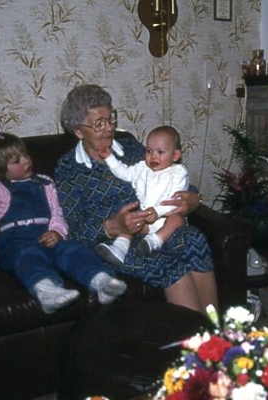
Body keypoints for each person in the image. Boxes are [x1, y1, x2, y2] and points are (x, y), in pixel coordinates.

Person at [55, 84, 218, 314]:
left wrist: (194, 199)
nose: (109, 128)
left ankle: (217, 333)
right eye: (98, 123)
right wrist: (112, 226)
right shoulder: (68, 169)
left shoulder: (132, 148)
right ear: (79, 131)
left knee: (194, 239)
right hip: (112, 245)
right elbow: (71, 230)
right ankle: (197, 342)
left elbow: (167, 177)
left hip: (154, 227)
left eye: (110, 118)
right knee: (168, 263)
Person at [0, 127, 127, 314]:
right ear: (0, 168)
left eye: (25, 154)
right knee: (28, 255)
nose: (26, 160)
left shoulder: (44, 183)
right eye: (16, 160)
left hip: (47, 237)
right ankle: (47, 292)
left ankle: (102, 282)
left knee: (72, 249)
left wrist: (57, 232)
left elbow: (57, 213)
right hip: (15, 243)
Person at [94, 125, 189, 267]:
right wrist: (109, 157)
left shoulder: (178, 172)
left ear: (175, 155)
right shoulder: (142, 168)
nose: (153, 156)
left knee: (177, 219)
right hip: (146, 219)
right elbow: (124, 173)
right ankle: (120, 248)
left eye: (160, 152)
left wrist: (157, 211)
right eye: (149, 151)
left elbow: (176, 200)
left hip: (167, 218)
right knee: (131, 221)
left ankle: (155, 241)